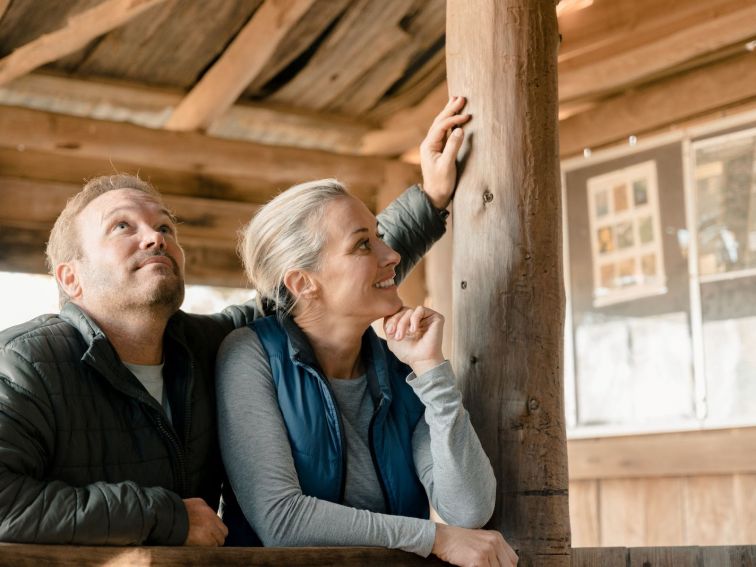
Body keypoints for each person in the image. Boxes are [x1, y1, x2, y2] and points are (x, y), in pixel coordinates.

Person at [0, 98, 469, 546]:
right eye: (123, 226)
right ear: (70, 277)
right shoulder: (26, 362)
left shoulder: (208, 345)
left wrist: (429, 199)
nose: (155, 238)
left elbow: (329, 282)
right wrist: (164, 517)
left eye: (165, 227)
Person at [216, 192, 518, 563]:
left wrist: (430, 370)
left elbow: (468, 508)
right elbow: (281, 518)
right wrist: (434, 538)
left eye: (380, 236)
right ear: (302, 282)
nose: (391, 255)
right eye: (363, 244)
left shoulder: (400, 370)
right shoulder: (251, 355)